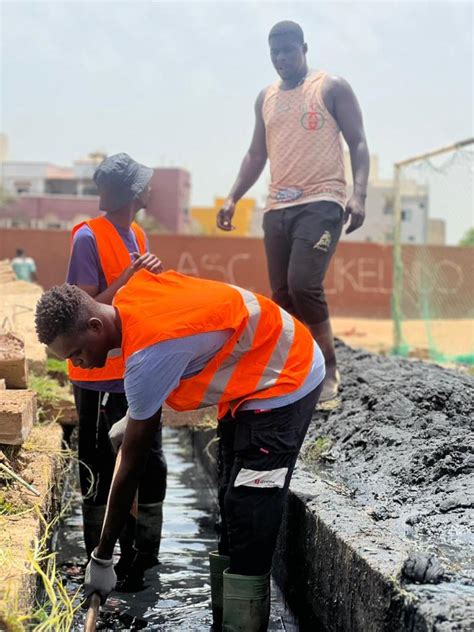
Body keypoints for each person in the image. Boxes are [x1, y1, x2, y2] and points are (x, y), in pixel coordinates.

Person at [35, 268, 325, 631]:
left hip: (287, 373)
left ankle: (243, 625)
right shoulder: (129, 301)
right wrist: (138, 416)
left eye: (76, 353)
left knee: (251, 504)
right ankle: (225, 618)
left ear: (95, 326)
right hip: (252, 377)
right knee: (231, 501)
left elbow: (131, 463)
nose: (76, 364)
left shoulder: (147, 353)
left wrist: (103, 556)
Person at [217, 20, 370, 402]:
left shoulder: (331, 87)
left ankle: (330, 370)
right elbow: (256, 153)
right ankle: (297, 369)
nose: (282, 59)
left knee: (304, 283)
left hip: (322, 200)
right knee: (283, 293)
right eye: (275, 53)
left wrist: (359, 195)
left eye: (288, 50)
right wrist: (233, 196)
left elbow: (359, 142)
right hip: (278, 207)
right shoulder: (265, 98)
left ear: (304, 47)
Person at [66, 153, 167, 588]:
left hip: (134, 368)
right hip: (95, 375)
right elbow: (85, 311)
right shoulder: (88, 238)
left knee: (146, 462)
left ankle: (140, 561)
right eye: (145, 184)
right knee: (97, 464)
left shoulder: (138, 234)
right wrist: (128, 274)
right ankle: (98, 558)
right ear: (132, 193)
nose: (150, 189)